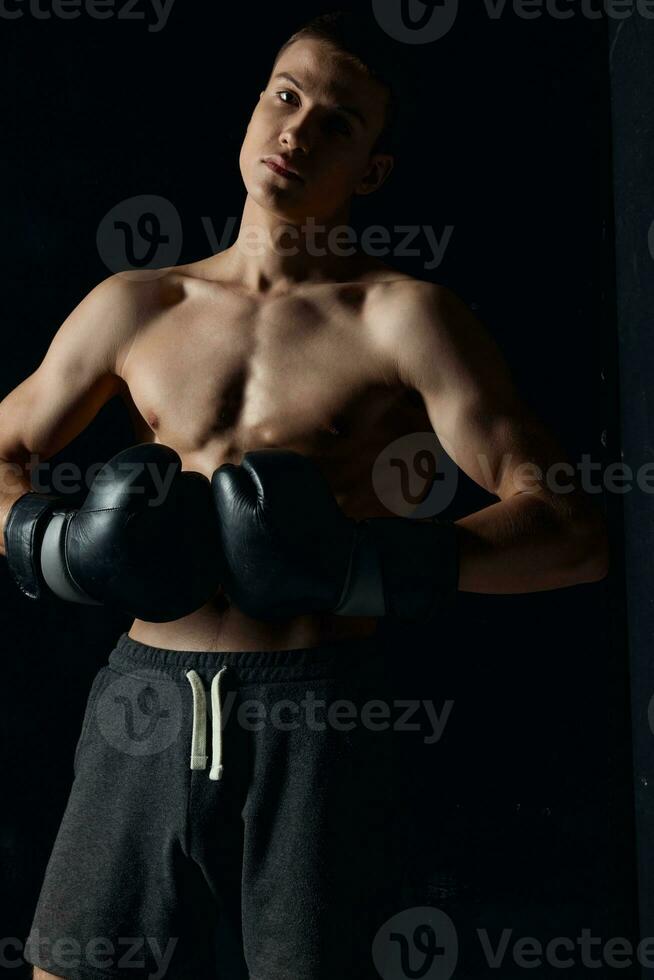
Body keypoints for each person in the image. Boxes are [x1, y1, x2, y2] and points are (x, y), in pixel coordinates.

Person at [0, 10, 608, 979]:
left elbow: (573, 529)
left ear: (371, 169)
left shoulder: (403, 318)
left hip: (319, 715)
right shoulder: (136, 304)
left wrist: (367, 567)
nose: (297, 129)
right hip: (141, 701)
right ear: (253, 107)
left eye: (337, 121)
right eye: (285, 94)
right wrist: (52, 546)